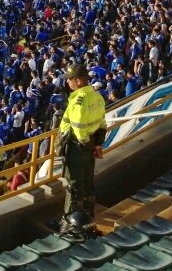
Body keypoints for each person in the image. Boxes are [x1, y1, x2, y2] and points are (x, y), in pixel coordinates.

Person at [58, 63, 106, 223]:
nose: (67, 82)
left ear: (78, 81)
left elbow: (78, 130)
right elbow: (102, 124)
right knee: (87, 181)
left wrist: (86, 145)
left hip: (77, 147)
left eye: (70, 79)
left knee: (75, 185)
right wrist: (97, 145)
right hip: (91, 143)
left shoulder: (78, 101)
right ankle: (88, 213)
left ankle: (71, 221)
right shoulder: (97, 96)